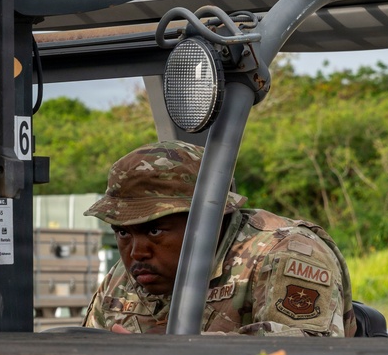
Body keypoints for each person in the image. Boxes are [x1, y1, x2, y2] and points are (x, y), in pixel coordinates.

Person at [83, 140, 356, 336]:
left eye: (155, 230)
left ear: (209, 220)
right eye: (122, 232)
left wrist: (180, 347)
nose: (136, 252)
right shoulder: (126, 275)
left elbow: (308, 354)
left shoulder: (283, 252)